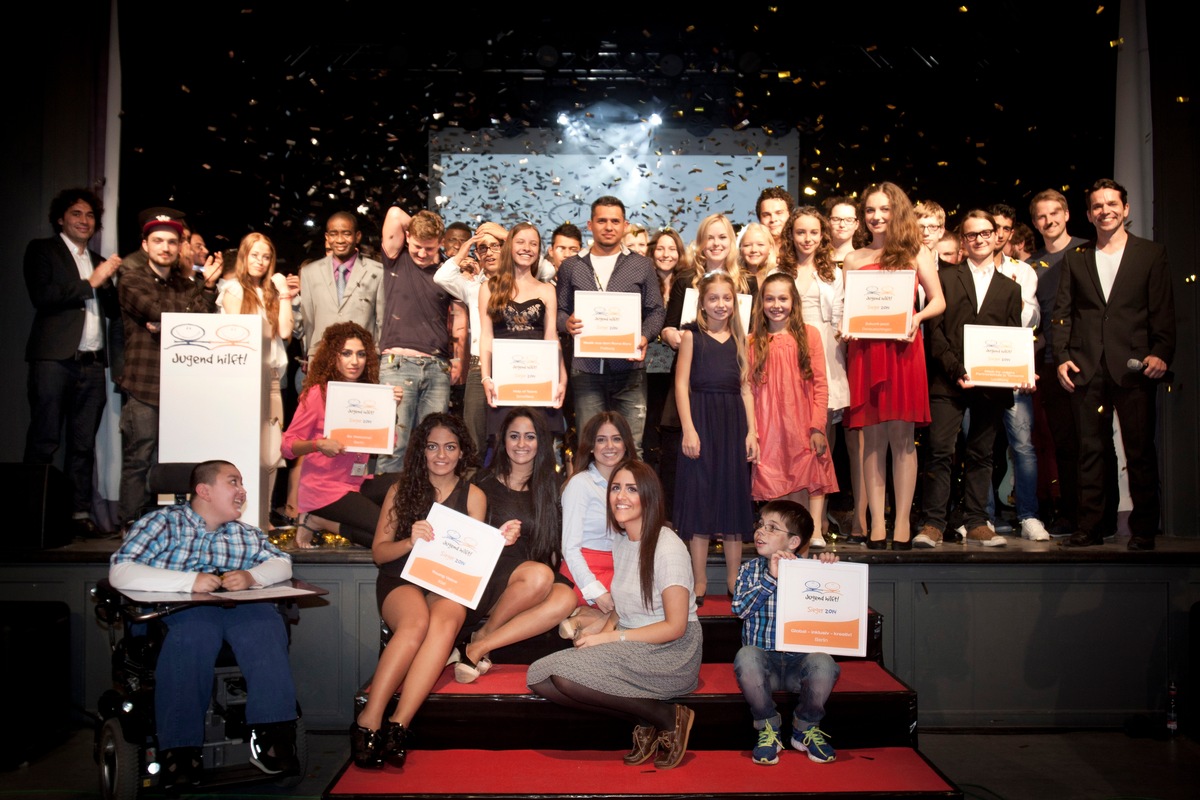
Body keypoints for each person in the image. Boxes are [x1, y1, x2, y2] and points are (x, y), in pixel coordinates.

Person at [109, 460, 299, 788]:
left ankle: (272, 734)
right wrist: (189, 581)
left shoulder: (245, 534)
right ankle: (180, 749)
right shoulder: (161, 524)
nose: (242, 490)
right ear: (204, 490)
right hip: (177, 611)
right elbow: (121, 570)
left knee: (266, 623)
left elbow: (283, 563)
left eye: (241, 483)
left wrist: (252, 576)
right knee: (198, 631)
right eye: (233, 482)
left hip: (235, 609)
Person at [352, 413, 516, 769]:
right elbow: (380, 554)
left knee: (447, 618)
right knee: (415, 625)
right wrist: (409, 542)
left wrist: (497, 542)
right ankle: (370, 719)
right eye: (432, 446)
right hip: (401, 579)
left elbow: (470, 554)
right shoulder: (401, 489)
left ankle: (400, 725)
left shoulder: (473, 495)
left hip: (446, 582)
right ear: (421, 451)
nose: (441, 454)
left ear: (462, 452)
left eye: (450, 446)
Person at [527, 461, 701, 771]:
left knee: (565, 678)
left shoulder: (668, 547)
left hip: (672, 652)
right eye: (616, 488)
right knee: (540, 677)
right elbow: (622, 607)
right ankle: (646, 716)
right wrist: (598, 633)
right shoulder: (622, 542)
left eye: (631, 489)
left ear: (649, 496)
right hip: (633, 642)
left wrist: (610, 637)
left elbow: (675, 627)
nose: (620, 496)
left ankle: (668, 717)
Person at [1054, 179, 1175, 551]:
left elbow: (1164, 311)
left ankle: (1143, 530)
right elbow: (1063, 312)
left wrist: (1161, 352)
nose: (1104, 210)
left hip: (1135, 366)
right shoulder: (1076, 258)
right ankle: (1090, 527)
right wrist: (1062, 358)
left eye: (1111, 204)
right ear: (1089, 214)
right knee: (1090, 450)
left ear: (1126, 210)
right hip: (1087, 366)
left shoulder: (1150, 254)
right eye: (1097, 206)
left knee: (1139, 450)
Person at [843, 182, 945, 550]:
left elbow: (938, 302)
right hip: (866, 353)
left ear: (897, 211)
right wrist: (846, 326)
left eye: (884, 209)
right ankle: (877, 525)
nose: (876, 216)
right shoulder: (853, 258)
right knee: (871, 441)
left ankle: (902, 523)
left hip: (903, 351)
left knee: (902, 440)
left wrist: (916, 319)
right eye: (870, 210)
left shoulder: (916, 252)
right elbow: (850, 307)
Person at [913, 210, 1023, 549]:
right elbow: (936, 333)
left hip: (991, 385)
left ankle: (977, 522)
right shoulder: (945, 277)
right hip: (948, 382)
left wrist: (1019, 368)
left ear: (995, 236)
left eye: (985, 233)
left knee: (982, 454)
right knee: (940, 452)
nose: (979, 239)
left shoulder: (1010, 287)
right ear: (963, 241)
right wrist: (957, 370)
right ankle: (933, 523)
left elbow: (1012, 337)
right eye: (972, 235)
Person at [23, 188, 121, 538]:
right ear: (61, 218)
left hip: (92, 365)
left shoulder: (98, 259)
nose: (84, 221)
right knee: (44, 439)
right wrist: (89, 283)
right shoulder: (42, 250)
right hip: (54, 359)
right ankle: (32, 519)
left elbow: (111, 312)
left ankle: (79, 515)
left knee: (83, 445)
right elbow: (43, 295)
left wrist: (109, 286)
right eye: (76, 214)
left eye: (90, 216)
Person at [116, 216, 221, 529]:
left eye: (172, 242)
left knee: (179, 460)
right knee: (139, 457)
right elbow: (157, 313)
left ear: (180, 247)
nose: (166, 247)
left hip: (182, 387)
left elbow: (201, 323)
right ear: (146, 245)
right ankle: (131, 525)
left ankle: (175, 526)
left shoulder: (187, 285)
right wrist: (171, 320)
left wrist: (208, 287)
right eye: (158, 241)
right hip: (144, 384)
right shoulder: (132, 279)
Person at [457, 408, 576, 682]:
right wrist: (495, 537)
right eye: (514, 436)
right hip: (490, 576)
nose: (522, 444)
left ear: (541, 442)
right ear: (503, 440)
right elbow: (466, 540)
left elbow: (555, 546)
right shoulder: (482, 483)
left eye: (530, 437)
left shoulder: (552, 486)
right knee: (540, 575)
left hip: (529, 580)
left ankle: (480, 644)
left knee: (566, 597)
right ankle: (483, 633)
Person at [733, 500, 839, 765]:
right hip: (763, 666)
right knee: (746, 656)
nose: (760, 531)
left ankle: (805, 727)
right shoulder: (749, 570)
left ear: (793, 542)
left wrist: (829, 571)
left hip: (798, 665)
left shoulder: (810, 571)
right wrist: (771, 577)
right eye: (760, 525)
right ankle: (768, 726)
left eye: (772, 528)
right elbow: (740, 609)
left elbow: (833, 612)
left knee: (825, 664)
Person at [557, 197, 665, 456]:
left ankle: (629, 497)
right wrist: (566, 323)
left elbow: (656, 310)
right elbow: (560, 310)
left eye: (615, 221)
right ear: (590, 224)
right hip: (586, 371)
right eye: (602, 220)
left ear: (625, 226)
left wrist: (644, 336)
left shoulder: (641, 265)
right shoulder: (572, 266)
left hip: (629, 371)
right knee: (588, 447)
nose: (608, 226)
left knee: (631, 449)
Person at [674, 272, 758, 598]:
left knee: (732, 498)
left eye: (727, 299)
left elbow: (746, 388)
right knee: (700, 499)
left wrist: (753, 432)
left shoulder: (741, 340)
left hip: (733, 424)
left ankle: (734, 579)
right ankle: (700, 580)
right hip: (702, 421)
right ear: (703, 304)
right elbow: (681, 385)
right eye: (713, 298)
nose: (720, 304)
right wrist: (689, 429)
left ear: (735, 305)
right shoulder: (692, 337)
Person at [281, 322, 401, 547]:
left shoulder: (371, 394)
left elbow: (387, 444)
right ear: (333, 356)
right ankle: (319, 520)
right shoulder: (318, 394)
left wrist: (390, 409)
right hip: (323, 489)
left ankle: (320, 521)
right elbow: (287, 446)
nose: (354, 361)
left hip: (355, 483)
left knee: (410, 483)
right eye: (346, 353)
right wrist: (318, 444)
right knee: (388, 533)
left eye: (361, 354)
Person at [748, 273, 837, 541]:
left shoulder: (809, 335)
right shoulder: (752, 341)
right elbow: (748, 391)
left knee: (809, 470)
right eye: (770, 298)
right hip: (769, 425)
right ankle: (782, 538)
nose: (777, 304)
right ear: (761, 303)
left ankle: (812, 531)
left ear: (794, 301)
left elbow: (821, 384)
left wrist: (817, 426)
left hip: (802, 421)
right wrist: (753, 431)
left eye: (783, 298)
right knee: (775, 478)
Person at [1029, 189, 1091, 536]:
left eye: (1055, 213)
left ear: (1067, 214)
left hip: (1086, 360)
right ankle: (1070, 512)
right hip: (1049, 363)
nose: (1049, 220)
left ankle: (1097, 514)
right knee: (1062, 442)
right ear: (1035, 222)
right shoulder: (1029, 267)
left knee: (1093, 442)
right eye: (1041, 216)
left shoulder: (1087, 251)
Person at [220, 233, 294, 522]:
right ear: (244, 256)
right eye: (255, 255)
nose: (260, 262)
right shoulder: (232, 290)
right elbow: (242, 337)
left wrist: (284, 292)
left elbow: (286, 331)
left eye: (266, 256)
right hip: (242, 381)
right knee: (241, 448)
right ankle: (238, 517)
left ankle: (262, 518)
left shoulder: (274, 292)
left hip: (272, 379)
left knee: (272, 451)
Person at [987, 203, 1048, 541]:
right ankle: (983, 516)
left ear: (1010, 234)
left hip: (1012, 366)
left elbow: (1031, 317)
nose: (996, 234)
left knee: (1022, 445)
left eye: (1003, 229)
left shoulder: (1022, 271)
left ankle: (1028, 515)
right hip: (979, 367)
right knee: (979, 446)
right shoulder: (966, 271)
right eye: (991, 226)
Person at [377, 207, 453, 472]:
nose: (422, 253)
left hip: (437, 365)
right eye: (418, 246)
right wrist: (421, 225)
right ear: (407, 237)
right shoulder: (395, 258)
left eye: (429, 248)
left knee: (432, 446)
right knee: (393, 445)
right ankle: (388, 512)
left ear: (440, 244)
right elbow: (395, 213)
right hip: (397, 364)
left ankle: (424, 510)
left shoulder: (447, 270)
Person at [479, 223, 567, 443]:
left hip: (539, 380)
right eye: (521, 242)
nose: (527, 248)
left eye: (533, 244)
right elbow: (486, 336)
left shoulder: (547, 290)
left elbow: (551, 337)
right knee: (505, 446)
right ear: (509, 246)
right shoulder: (489, 288)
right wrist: (486, 377)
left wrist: (562, 379)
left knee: (540, 446)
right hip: (504, 381)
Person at [558, 410, 634, 639]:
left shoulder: (636, 482)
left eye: (616, 438)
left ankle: (583, 622)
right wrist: (596, 592)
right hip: (586, 571)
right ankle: (591, 618)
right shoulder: (580, 484)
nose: (609, 446)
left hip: (622, 569)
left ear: (626, 444)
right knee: (634, 610)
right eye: (601, 439)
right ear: (591, 446)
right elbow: (569, 548)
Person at [435, 221, 508, 452]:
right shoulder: (472, 287)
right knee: (473, 440)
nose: (489, 252)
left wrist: (505, 235)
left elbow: (540, 265)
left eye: (495, 246)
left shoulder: (521, 281)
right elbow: (442, 278)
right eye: (483, 248)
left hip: (511, 366)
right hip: (478, 368)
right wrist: (468, 245)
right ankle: (473, 487)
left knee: (507, 436)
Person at [294, 211, 384, 357]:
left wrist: (376, 356)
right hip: (322, 358)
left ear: (358, 236)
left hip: (362, 359)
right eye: (334, 234)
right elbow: (309, 323)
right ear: (327, 237)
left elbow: (382, 322)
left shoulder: (378, 272)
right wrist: (312, 354)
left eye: (346, 233)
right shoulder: (309, 273)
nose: (340, 240)